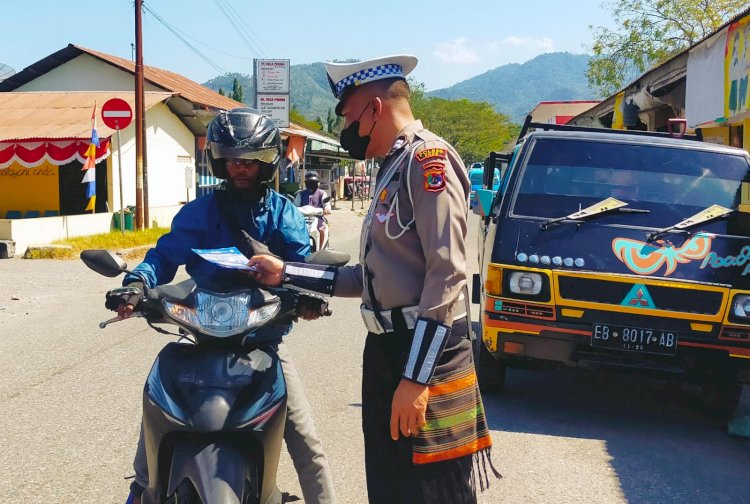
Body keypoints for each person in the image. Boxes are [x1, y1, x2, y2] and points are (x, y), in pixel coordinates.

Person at [248, 55, 499, 503]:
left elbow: (446, 277)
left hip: (426, 354)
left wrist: (417, 379)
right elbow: (369, 277)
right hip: (386, 351)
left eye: (348, 116)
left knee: (431, 491)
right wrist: (288, 273)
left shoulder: (428, 162)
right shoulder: (393, 167)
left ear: (375, 110)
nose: (346, 128)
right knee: (391, 489)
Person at [107, 108, 337, 504]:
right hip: (201, 340)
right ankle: (140, 493)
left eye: (249, 160)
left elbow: (302, 265)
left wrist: (309, 295)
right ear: (218, 161)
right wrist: (136, 284)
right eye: (232, 160)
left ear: (267, 162)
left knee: (306, 444)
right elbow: (164, 255)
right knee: (152, 431)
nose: (240, 169)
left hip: (262, 344)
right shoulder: (201, 211)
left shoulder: (283, 213)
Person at [295, 171, 332, 247]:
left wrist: (327, 209)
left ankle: (321, 249)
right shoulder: (300, 194)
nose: (312, 184)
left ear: (317, 183)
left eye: (314, 182)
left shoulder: (322, 193)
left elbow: (327, 204)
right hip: (302, 218)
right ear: (306, 183)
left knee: (322, 230)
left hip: (318, 218)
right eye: (310, 182)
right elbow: (295, 205)